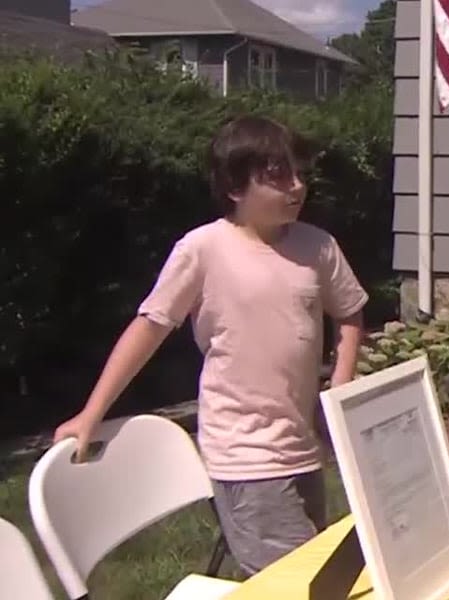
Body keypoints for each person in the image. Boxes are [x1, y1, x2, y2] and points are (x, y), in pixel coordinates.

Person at [53, 115, 369, 576]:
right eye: (278, 176)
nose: (297, 186)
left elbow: (350, 313)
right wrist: (91, 413)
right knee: (300, 580)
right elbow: (149, 327)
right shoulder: (203, 249)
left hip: (303, 445)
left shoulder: (317, 247)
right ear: (235, 188)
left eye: (299, 173)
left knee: (305, 574)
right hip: (245, 455)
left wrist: (338, 389)